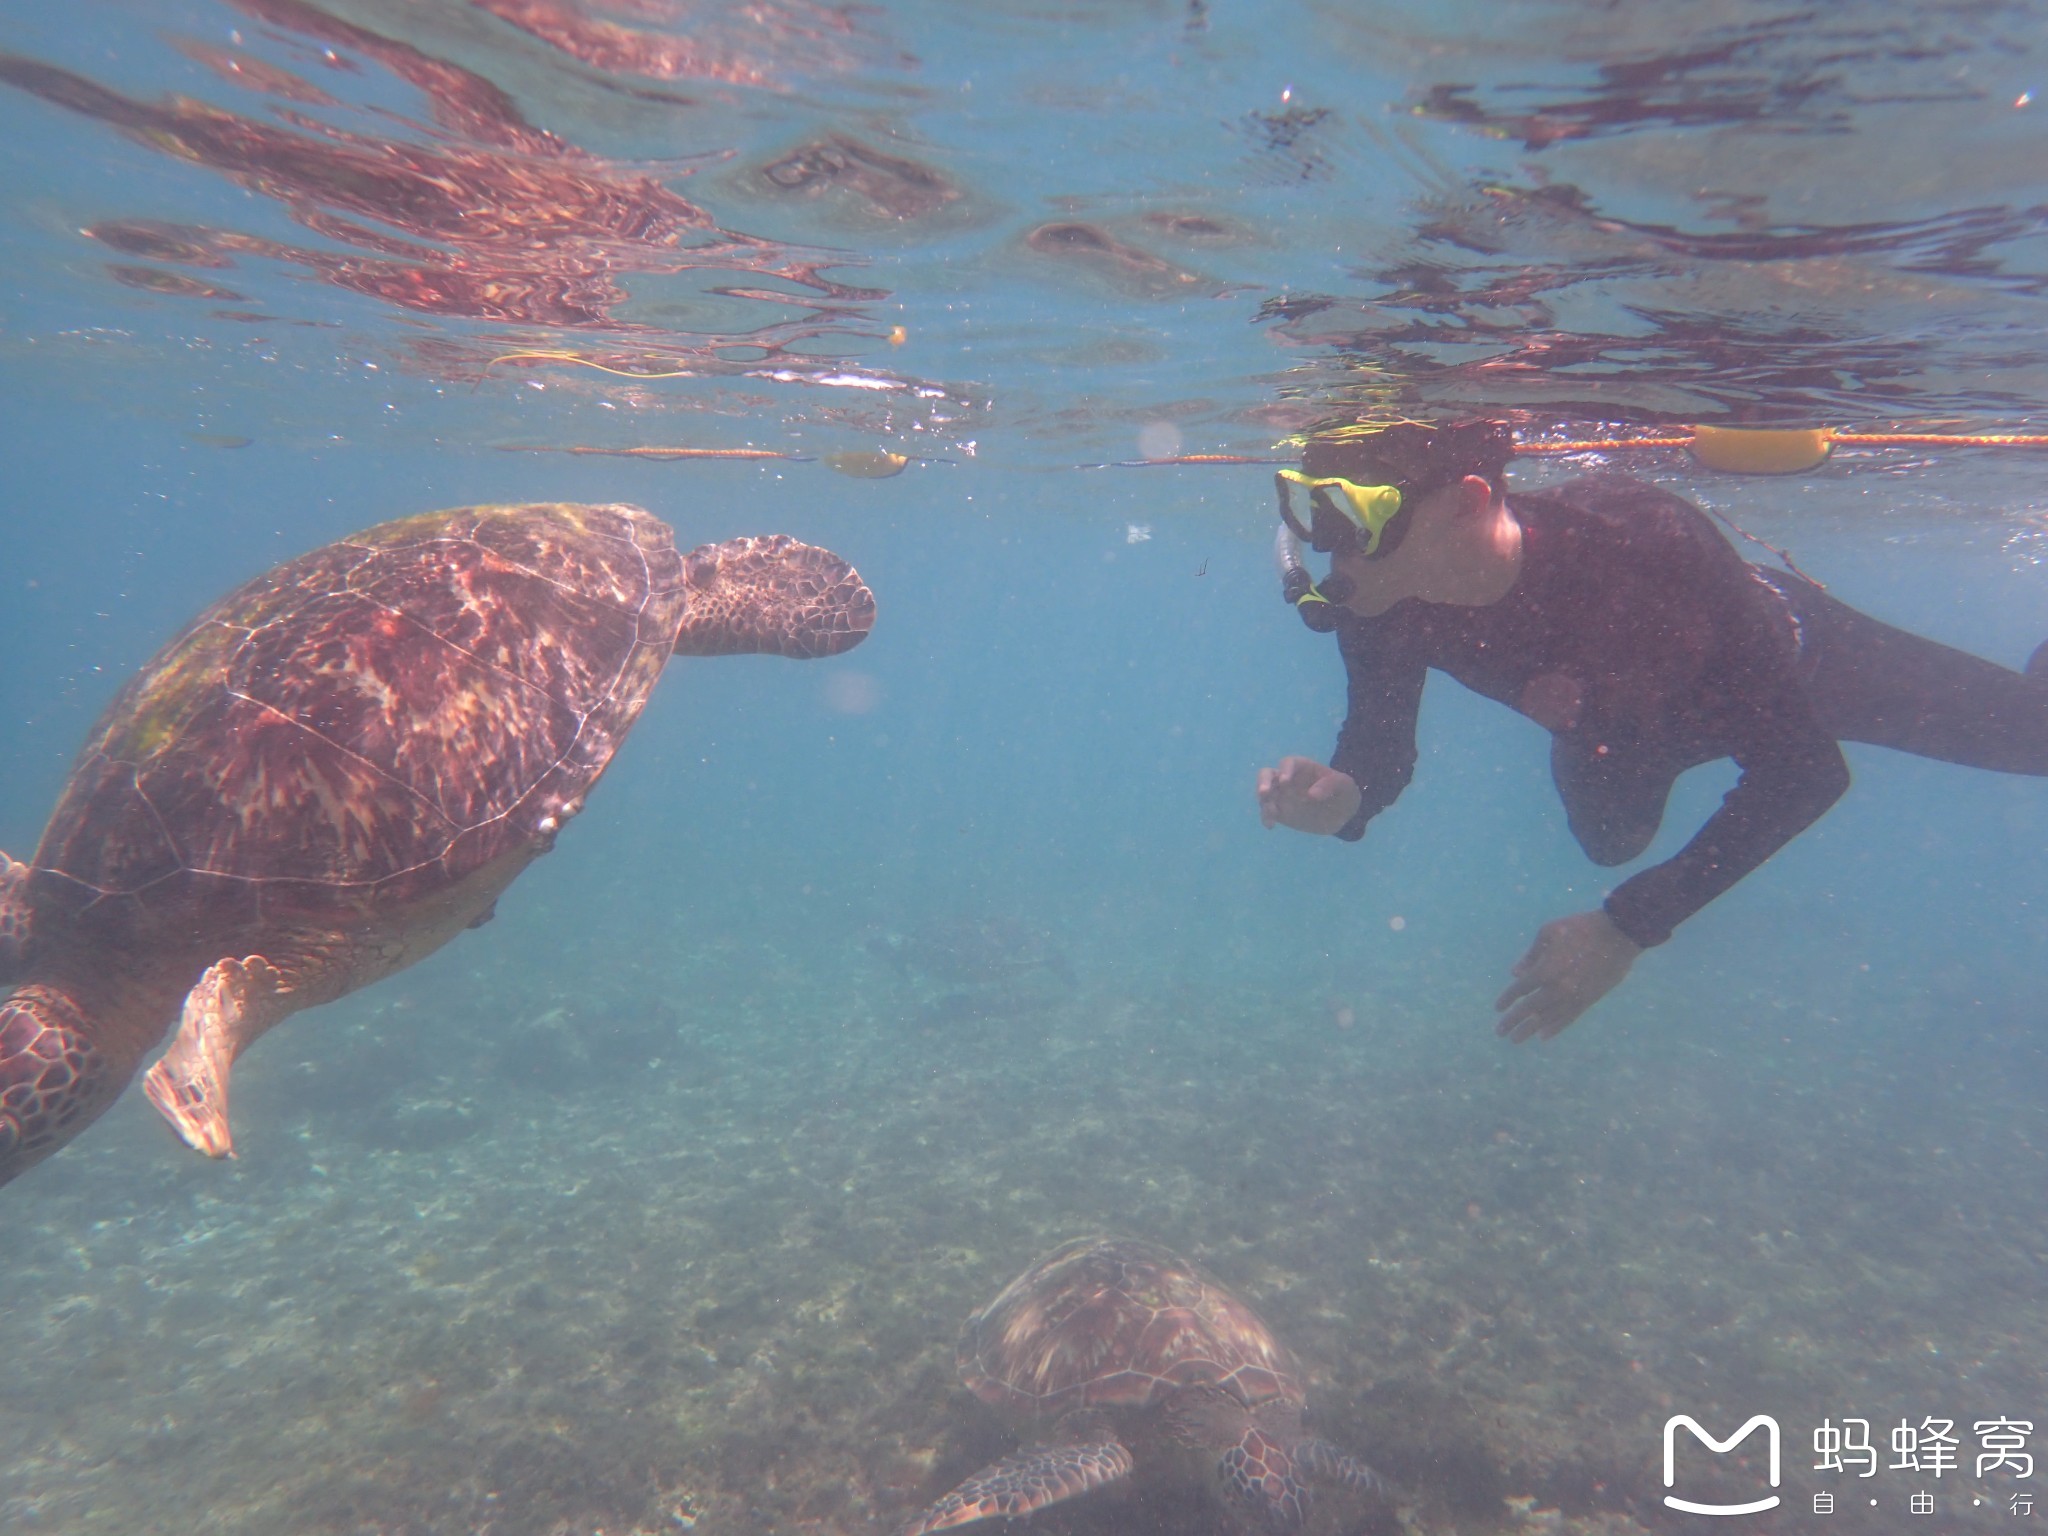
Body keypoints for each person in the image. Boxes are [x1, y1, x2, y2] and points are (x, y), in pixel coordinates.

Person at [1254, 417, 2048, 1042]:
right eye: (1311, 507)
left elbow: (1804, 771)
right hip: (1617, 732)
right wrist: (1344, 799)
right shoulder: (1385, 600)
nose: (1330, 548)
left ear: (1467, 501)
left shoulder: (1642, 542)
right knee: (1608, 842)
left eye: (1358, 516)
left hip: (1794, 667)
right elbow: (1380, 746)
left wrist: (1627, 925)